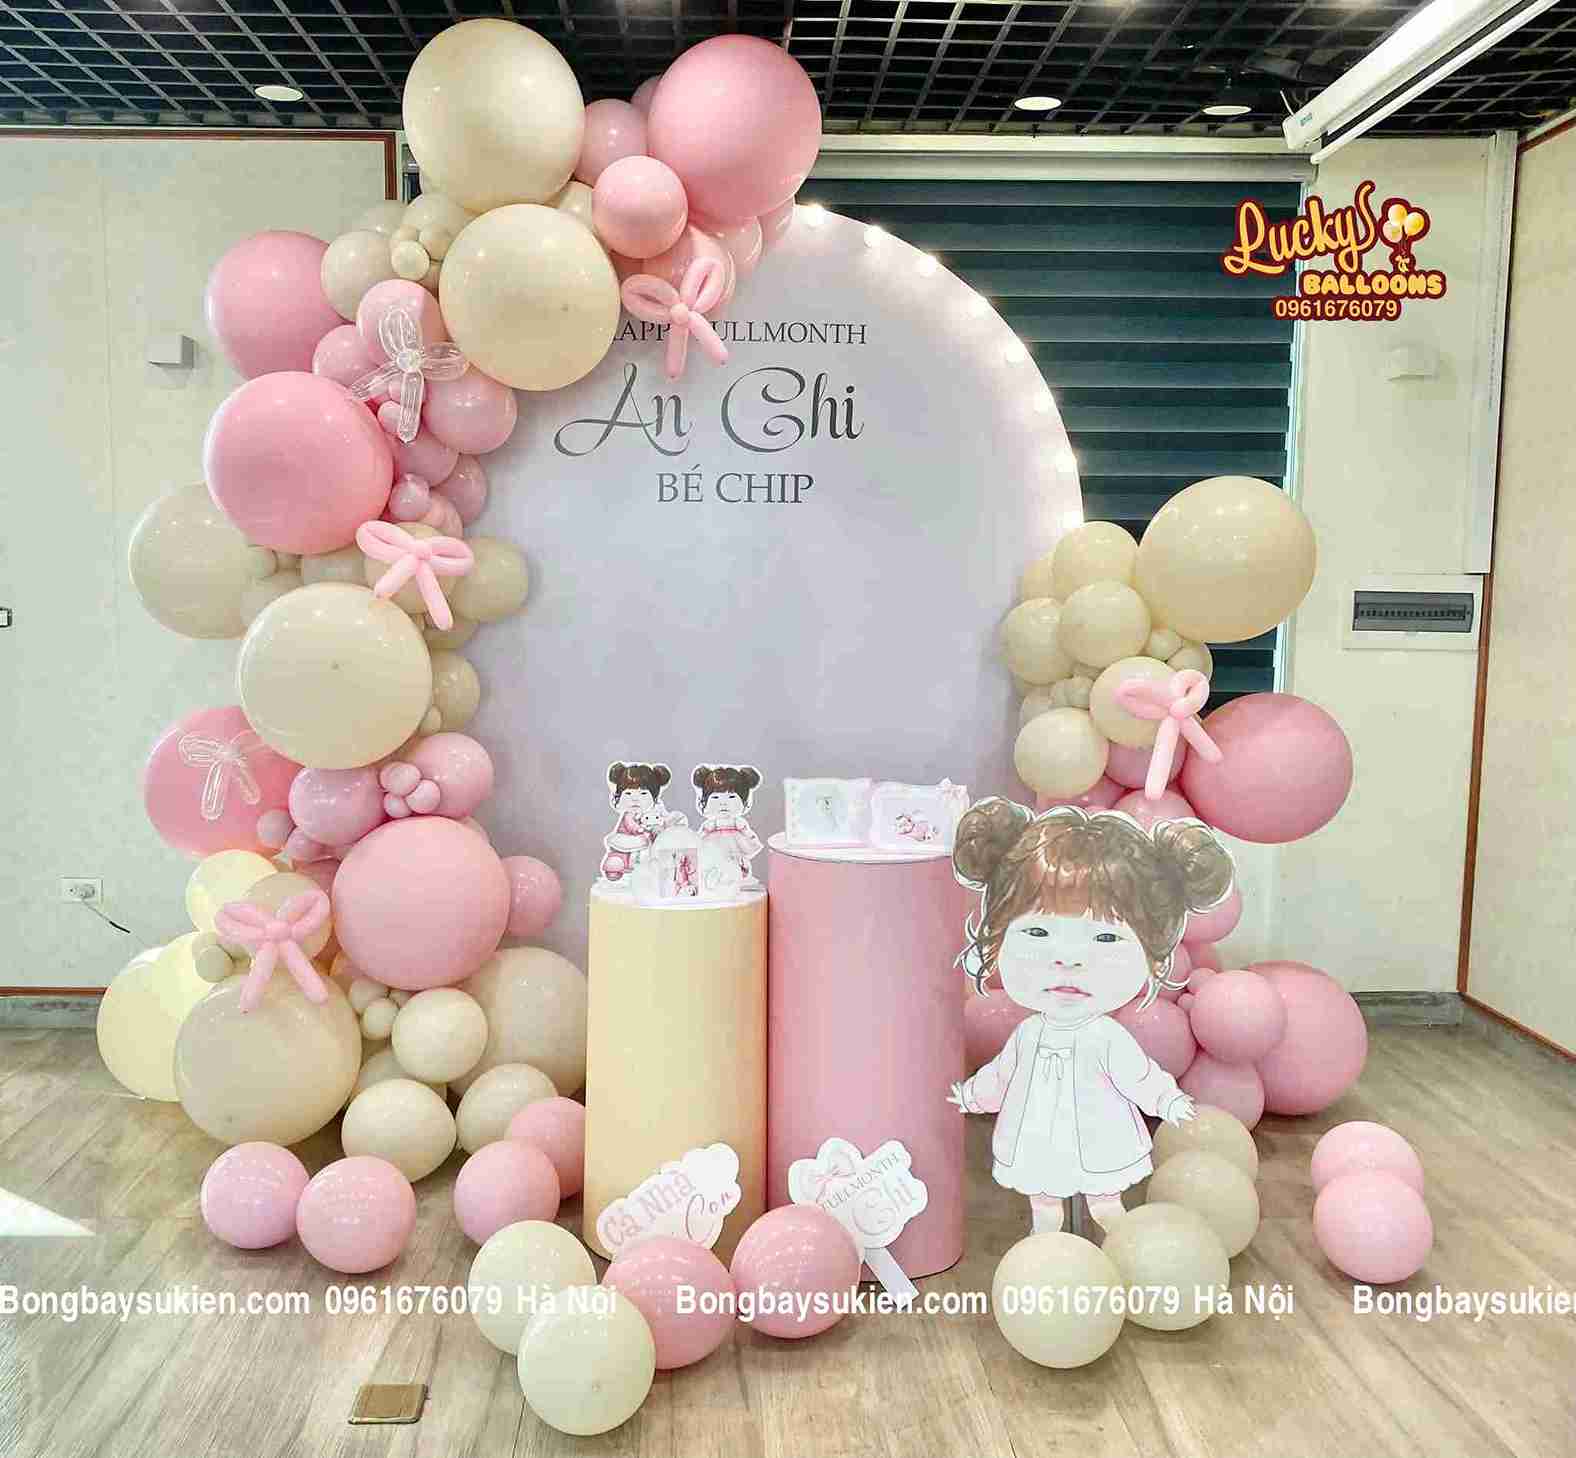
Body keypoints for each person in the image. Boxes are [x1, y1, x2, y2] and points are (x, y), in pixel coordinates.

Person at [948, 799, 1234, 1233]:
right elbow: (1003, 1075)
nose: (1067, 959)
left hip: (1098, 1134)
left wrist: (1166, 1099)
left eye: (1104, 937)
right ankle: (1045, 1252)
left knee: (1106, 1206)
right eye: (1038, 932)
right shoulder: (1028, 1034)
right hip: (1039, 1136)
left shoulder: (1105, 1036)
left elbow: (1137, 1074)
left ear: (1151, 952)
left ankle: (1123, 1249)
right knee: (1044, 1207)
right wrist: (972, 1095)